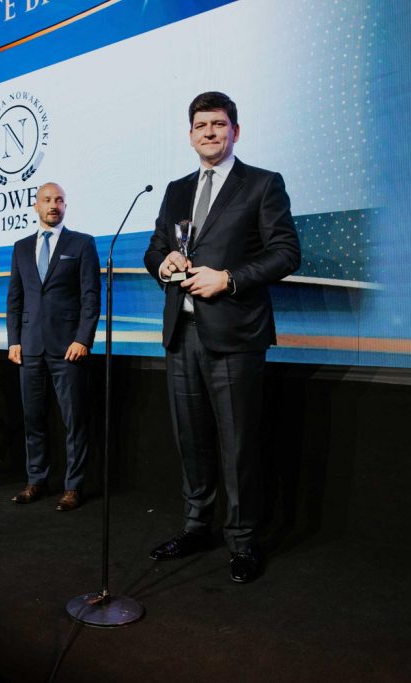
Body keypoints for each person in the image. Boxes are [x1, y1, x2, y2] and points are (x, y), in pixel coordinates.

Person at [143, 92, 301, 583]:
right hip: (182, 333)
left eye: (218, 124)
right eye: (201, 125)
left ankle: (243, 540)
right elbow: (154, 249)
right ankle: (196, 528)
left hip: (235, 336)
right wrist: (164, 263)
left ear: (236, 130)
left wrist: (228, 279)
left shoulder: (263, 184)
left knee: (238, 445)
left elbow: (286, 253)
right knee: (191, 440)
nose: (209, 132)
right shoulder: (176, 190)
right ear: (190, 135)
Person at [7, 182, 100, 511]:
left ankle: (73, 486)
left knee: (74, 421)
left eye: (59, 200)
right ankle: (36, 480)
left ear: (65, 205)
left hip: (68, 348)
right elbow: (15, 299)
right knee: (33, 418)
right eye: (47, 199)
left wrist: (83, 338)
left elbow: (91, 296)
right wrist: (13, 340)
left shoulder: (82, 243)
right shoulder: (20, 247)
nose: (53, 205)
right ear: (36, 205)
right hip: (29, 347)